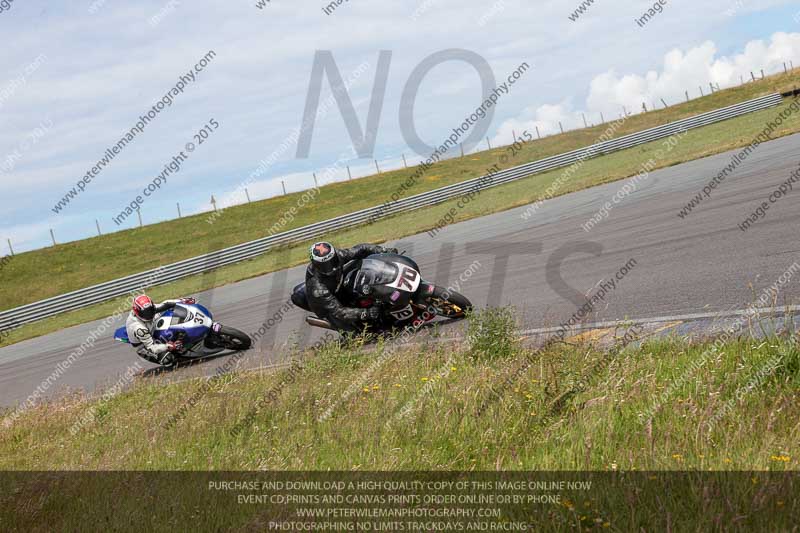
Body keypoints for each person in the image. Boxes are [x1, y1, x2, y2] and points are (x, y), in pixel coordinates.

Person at [296, 241, 397, 332]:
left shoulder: (339, 256)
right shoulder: (317, 288)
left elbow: (361, 249)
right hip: (327, 306)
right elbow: (340, 312)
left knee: (361, 266)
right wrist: (367, 313)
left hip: (338, 283)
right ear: (316, 265)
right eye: (325, 265)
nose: (332, 266)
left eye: (332, 261)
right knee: (356, 335)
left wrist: (384, 251)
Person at [126, 294, 196, 367]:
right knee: (168, 359)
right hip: (145, 346)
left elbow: (166, 304)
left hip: (150, 327)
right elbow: (152, 347)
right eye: (146, 313)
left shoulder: (148, 308)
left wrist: (182, 301)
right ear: (137, 312)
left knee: (171, 312)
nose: (149, 314)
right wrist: (169, 346)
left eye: (150, 310)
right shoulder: (138, 328)